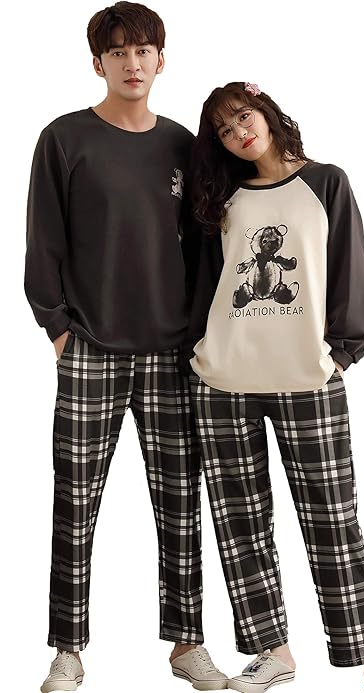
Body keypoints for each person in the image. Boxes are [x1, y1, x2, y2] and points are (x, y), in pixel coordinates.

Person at [180, 81, 364, 693]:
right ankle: (272, 652)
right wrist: (198, 352)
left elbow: (350, 266)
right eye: (224, 130)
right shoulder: (222, 198)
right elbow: (204, 282)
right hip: (225, 381)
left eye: (244, 117)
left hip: (307, 378)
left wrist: (342, 352)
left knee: (333, 519)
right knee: (240, 523)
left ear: (267, 112)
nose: (239, 133)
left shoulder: (325, 182)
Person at [25, 3, 227, 692]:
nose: (132, 63)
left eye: (144, 51)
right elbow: (43, 239)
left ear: (161, 60)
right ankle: (68, 647)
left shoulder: (183, 145)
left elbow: (205, 249)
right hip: (90, 346)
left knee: (180, 501)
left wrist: (198, 336)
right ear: (98, 63)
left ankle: (187, 643)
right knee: (75, 502)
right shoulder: (63, 138)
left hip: (173, 353)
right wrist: (58, 327)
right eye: (118, 52)